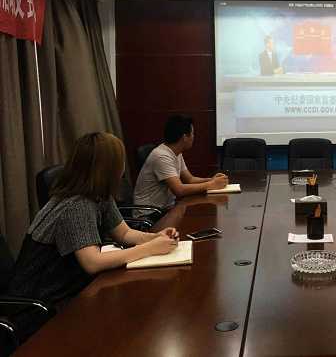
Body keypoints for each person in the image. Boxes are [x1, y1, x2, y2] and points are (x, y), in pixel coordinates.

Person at [9, 132, 180, 307]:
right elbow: (92, 263)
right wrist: (149, 249)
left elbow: (124, 233)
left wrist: (156, 237)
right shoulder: (77, 204)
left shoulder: (100, 194)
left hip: (69, 286)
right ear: (108, 167)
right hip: (40, 302)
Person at [134, 115, 228, 210]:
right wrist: (211, 184)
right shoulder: (162, 156)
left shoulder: (176, 152)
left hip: (166, 208)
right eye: (192, 134)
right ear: (184, 137)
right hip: (150, 212)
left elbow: (190, 179)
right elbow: (179, 190)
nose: (193, 137)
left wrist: (211, 180)